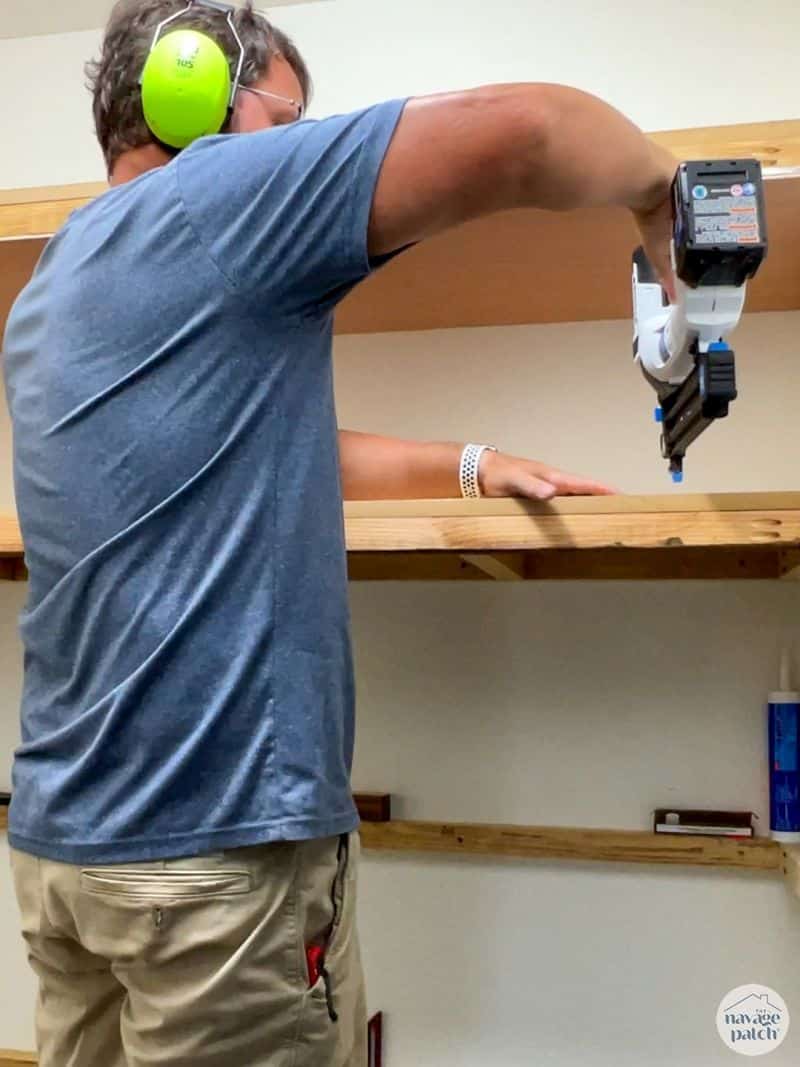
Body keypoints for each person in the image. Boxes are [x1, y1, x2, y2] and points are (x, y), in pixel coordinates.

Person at [1, 1, 677, 1064]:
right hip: (213, 851)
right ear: (200, 93)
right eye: (290, 114)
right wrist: (660, 195)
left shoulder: (50, 285)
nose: (299, 141)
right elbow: (535, 127)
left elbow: (263, 441)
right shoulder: (217, 189)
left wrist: (468, 462)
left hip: (67, 852)